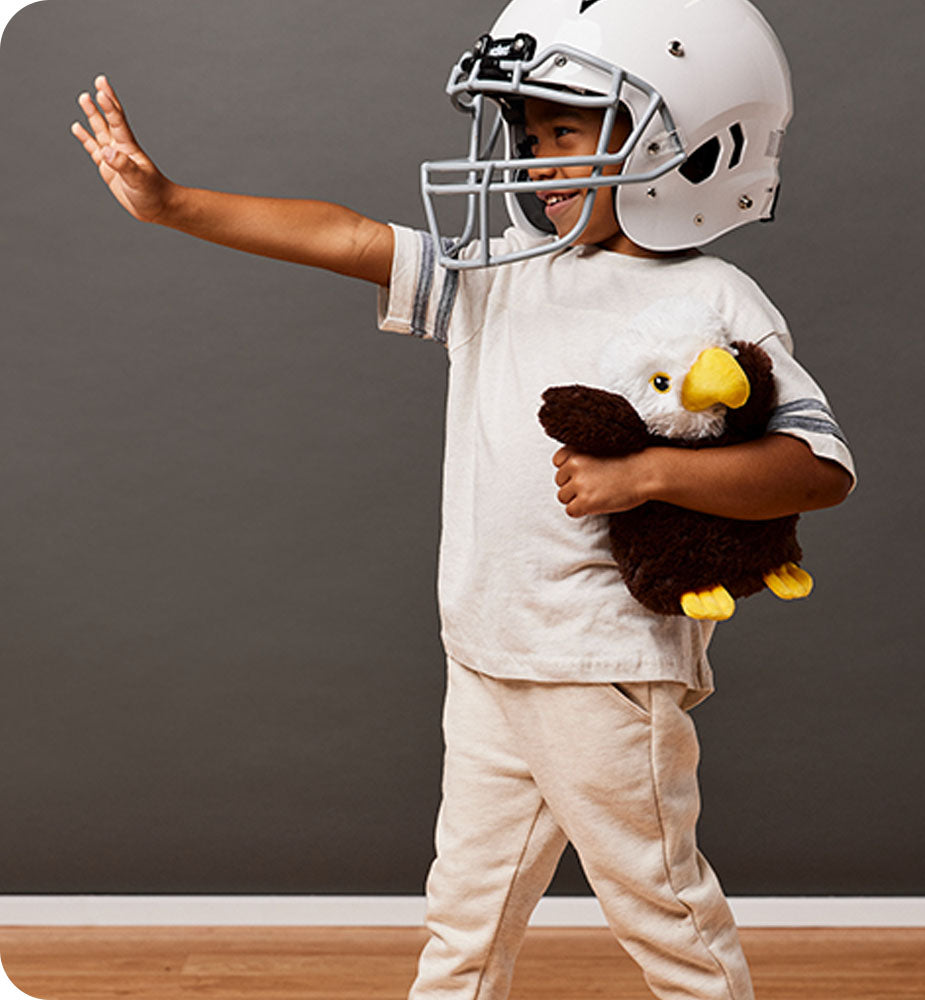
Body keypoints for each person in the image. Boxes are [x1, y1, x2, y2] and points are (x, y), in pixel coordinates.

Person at [71, 0, 854, 997]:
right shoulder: (503, 273)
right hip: (486, 659)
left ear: (678, 138)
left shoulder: (715, 298)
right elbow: (346, 235)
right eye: (527, 138)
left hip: (599, 673)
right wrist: (173, 202)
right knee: (462, 923)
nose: (531, 163)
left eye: (561, 133)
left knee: (661, 913)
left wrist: (644, 474)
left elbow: (814, 470)